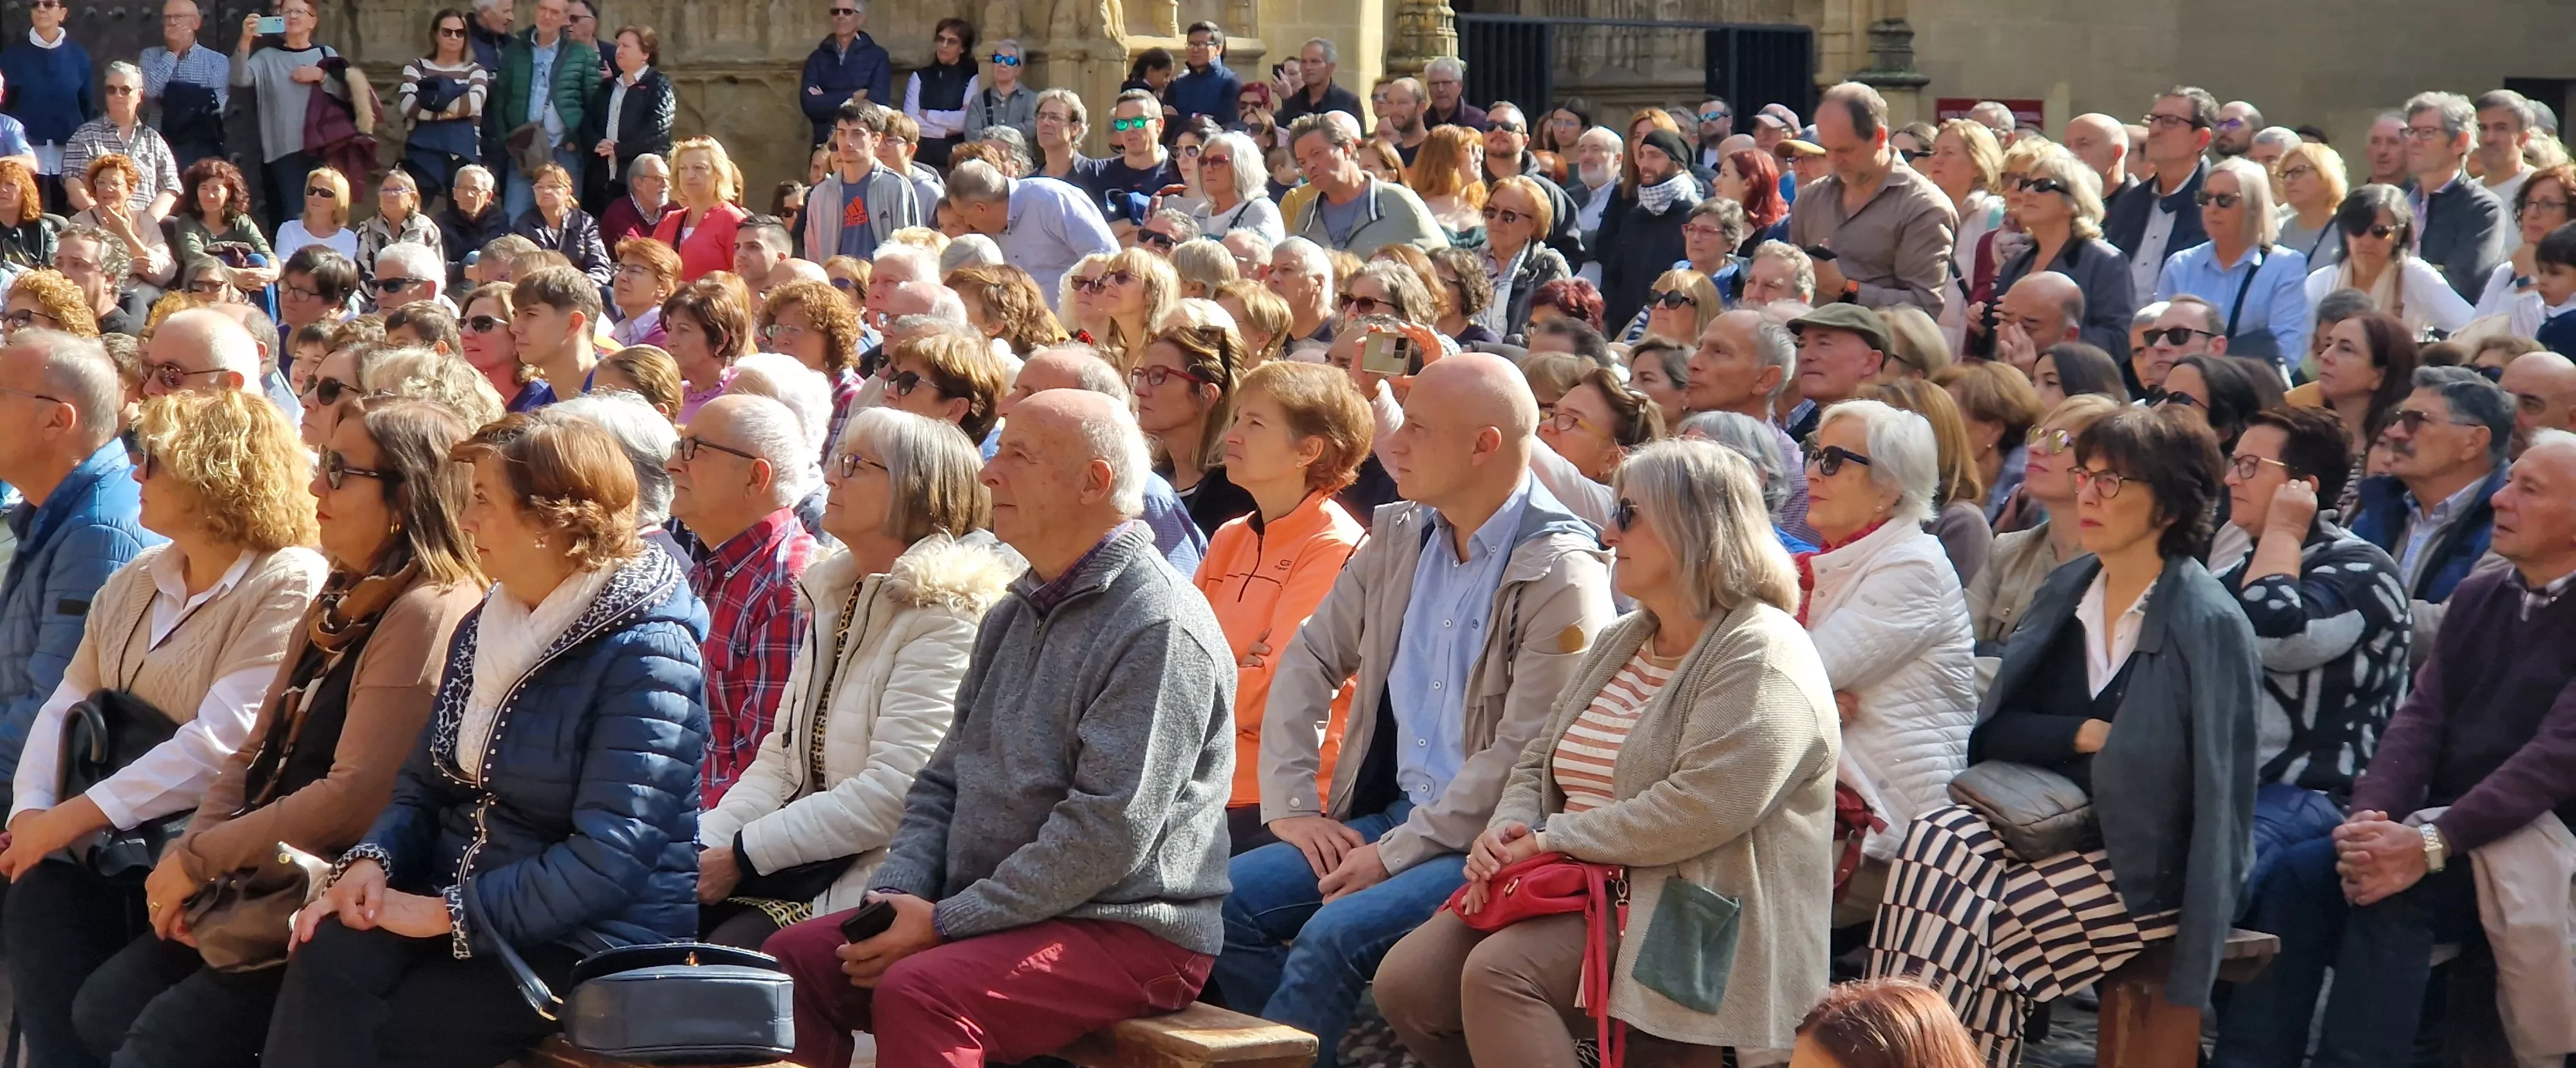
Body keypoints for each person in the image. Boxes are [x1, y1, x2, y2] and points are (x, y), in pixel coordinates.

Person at [759, 388, 1232, 1068]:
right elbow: (940, 781)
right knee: (796, 958)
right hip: (995, 910)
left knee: (921, 992)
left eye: (1018, 455)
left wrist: (948, 923)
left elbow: (1107, 834)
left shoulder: (1158, 625)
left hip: (1131, 928)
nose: (988, 472)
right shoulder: (1015, 609)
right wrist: (898, 896)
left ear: (1092, 483)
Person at [256, 413, 705, 1068]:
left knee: (393, 1032)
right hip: (462, 898)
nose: (465, 521)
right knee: (328, 950)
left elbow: (611, 859)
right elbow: (423, 784)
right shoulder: (487, 623)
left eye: (484, 503)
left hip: (587, 939)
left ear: (550, 522)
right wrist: (374, 862)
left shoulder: (649, 653)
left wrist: (448, 915)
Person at [1378, 436, 1835, 1068]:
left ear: (1689, 530)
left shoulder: (1763, 653)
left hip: (1697, 913)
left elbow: (1698, 809)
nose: (1608, 531)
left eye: (1627, 513)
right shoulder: (1626, 634)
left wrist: (1546, 839)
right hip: (1575, 882)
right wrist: (1511, 825)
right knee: (1408, 984)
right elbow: (1539, 758)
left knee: (1502, 977)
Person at [1216, 350, 1613, 1057]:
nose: (1392, 443)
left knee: (1327, 940)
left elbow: (1525, 753)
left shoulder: (1562, 572)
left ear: (1483, 445)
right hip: (1389, 817)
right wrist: (1290, 806)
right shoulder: (1400, 534)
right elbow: (1310, 657)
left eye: (1419, 428)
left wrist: (1395, 852)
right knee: (1213, 902)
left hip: (1487, 844)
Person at [67, 395, 482, 1067]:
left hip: (319, 899)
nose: (316, 486)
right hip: (248, 875)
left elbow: (354, 797)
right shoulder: (344, 589)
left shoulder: (429, 609)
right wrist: (191, 860)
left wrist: (201, 863)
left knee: (154, 1050)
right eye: (323, 466)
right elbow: (253, 750)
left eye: (341, 473)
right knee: (102, 1007)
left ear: (407, 496)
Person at [1867, 408, 2257, 1067]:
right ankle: (1896, 1043)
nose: (2087, 493)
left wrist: (2196, 961)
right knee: (1935, 835)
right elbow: (1999, 731)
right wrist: (2085, 734)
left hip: (2145, 863)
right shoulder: (2068, 588)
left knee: (1992, 932)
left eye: (2112, 482)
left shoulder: (2207, 620)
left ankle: (1904, 1050)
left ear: (2167, 504)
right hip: (2044, 826)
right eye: (2086, 475)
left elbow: (2220, 799)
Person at [2211, 429, 2576, 1068]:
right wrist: (2367, 823)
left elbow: (2552, 761)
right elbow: (2419, 721)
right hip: (2440, 827)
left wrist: (2429, 845)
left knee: (2395, 892)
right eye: (2510, 481)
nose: (2499, 500)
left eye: (2529, 489)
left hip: (2542, 841)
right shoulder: (2483, 594)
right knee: (2302, 875)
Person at [1, 388, 325, 1068]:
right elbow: (67, 702)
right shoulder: (139, 578)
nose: (136, 474)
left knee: (112, 1013)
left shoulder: (287, 582)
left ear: (216, 473)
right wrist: (31, 816)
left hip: (197, 850)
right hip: (103, 839)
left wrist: (63, 822)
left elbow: (219, 743)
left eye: (155, 460)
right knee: (38, 902)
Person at [693, 402, 1007, 951]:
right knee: (646, 919)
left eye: (857, 464)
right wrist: (705, 845)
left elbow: (895, 794)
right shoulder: (835, 593)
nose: (832, 475)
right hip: (794, 858)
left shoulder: (947, 614)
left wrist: (743, 854)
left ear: (917, 489)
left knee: (722, 963)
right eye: (838, 457)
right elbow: (780, 761)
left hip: (877, 875)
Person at [1796, 398, 1975, 925]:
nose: (1812, 471)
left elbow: (1786, 675)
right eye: (1812, 453)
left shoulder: (1911, 565)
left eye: (1833, 460)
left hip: (1883, 831)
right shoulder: (1837, 561)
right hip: (1822, 805)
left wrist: (1812, 697)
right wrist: (1820, 702)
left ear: (1890, 486)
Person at [2209, 405, 2409, 869]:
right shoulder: (2233, 573)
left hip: (2316, 795)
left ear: (2304, 488)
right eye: (2233, 461)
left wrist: (2284, 529)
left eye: (2250, 466)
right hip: (2226, 786)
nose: (2231, 479)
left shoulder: (2361, 568)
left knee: (2203, 881)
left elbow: (2278, 635)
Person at [0, 330, 151, 839]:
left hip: (36, 807)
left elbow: (52, 714)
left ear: (57, 419)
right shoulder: (55, 505)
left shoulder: (97, 530)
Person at [665, 391, 820, 809]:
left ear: (756, 476)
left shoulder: (788, 586)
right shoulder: (715, 564)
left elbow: (765, 776)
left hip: (707, 841)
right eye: (679, 445)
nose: (672, 463)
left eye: (693, 449)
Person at [2345, 366, 2512, 655]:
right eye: (2399, 419)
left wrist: (2348, 613)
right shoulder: (2381, 501)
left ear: (2472, 443)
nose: (2394, 432)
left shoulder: (2512, 516)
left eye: (2415, 421)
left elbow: (2455, 630)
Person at [1966, 394, 2121, 668]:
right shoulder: (2007, 550)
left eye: (2060, 441)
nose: (2036, 448)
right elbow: (1955, 647)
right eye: (2037, 434)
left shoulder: (2116, 569)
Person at [1786, 82, 1956, 319]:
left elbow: (1924, 307)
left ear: (1879, 136)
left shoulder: (1923, 207)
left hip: (1880, 352)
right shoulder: (1811, 198)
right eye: (1827, 150)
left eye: (1845, 150)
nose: (1835, 161)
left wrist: (1845, 289)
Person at [2152, 156, 2308, 364]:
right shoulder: (2180, 266)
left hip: (2248, 389)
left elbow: (2287, 352)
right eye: (2205, 199)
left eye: (2224, 200)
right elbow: (2159, 342)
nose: (2212, 208)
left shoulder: (2286, 266)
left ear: (2254, 207)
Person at [1989, 147, 2134, 361]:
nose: (2027, 193)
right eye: (2027, 184)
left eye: (2043, 186)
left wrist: (2047, 339)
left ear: (2074, 202)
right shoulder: (2017, 264)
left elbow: (2118, 340)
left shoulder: (2105, 261)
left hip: (2076, 385)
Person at [938, 159, 1116, 315]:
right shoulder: (988, 233)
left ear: (981, 208)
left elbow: (1107, 259)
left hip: (1080, 332)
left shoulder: (1052, 201)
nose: (967, 223)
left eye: (964, 216)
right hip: (1027, 331)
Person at [2306, 184, 2473, 340]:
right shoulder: (2321, 282)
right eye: (2357, 230)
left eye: (2379, 232)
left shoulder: (2416, 275)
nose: (2367, 241)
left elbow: (2473, 326)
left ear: (2399, 235)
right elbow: (2302, 343)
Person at [229, 0, 337, 234]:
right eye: (286, 12)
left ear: (313, 20)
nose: (293, 16)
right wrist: (246, 40)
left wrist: (321, 75)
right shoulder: (267, 57)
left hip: (325, 147)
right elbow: (240, 78)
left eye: (300, 11)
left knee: (328, 212)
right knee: (294, 215)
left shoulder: (326, 54)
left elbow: (348, 92)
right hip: (285, 151)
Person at [485, 0, 597, 223]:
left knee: (565, 223)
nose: (546, 16)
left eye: (554, 12)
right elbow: (500, 100)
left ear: (566, 18)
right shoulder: (515, 51)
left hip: (564, 151)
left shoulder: (580, 54)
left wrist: (577, 139)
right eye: (542, 9)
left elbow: (593, 103)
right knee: (514, 219)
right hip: (524, 150)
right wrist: (508, 140)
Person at [2106, 87, 2216, 308]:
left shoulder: (2218, 202)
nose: (2155, 130)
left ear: (2201, 139)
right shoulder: (2131, 201)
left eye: (2170, 121)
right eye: (2153, 120)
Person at [1284, 114, 1446, 258]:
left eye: (1317, 153)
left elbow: (1441, 263)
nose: (1310, 166)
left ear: (1347, 149)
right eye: (1302, 162)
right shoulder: (1306, 219)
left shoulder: (1399, 202)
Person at [2307, 311, 2421, 516]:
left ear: (2379, 375)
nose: (2326, 357)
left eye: (2345, 349)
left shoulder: (2394, 452)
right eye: (2328, 345)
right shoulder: (2307, 434)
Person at [2401, 91, 2509, 304]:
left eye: (2427, 133)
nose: (2414, 141)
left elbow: (2462, 285)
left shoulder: (2482, 209)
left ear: (2460, 142)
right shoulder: (2397, 205)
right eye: (2411, 132)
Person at [1596, 129, 1700, 330]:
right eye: (1642, 156)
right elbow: (1613, 272)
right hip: (1623, 328)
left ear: (1677, 164)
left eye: (1655, 156)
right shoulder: (1635, 216)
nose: (1645, 164)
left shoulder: (1694, 215)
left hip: (1672, 326)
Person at [1, 0, 95, 207]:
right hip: (24, 151)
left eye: (49, 4)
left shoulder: (79, 57)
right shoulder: (10, 57)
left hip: (70, 153)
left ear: (62, 13)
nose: (41, 8)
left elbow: (87, 104)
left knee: (69, 216)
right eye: (35, 4)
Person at [804, 102, 919, 266]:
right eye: (842, 133)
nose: (847, 142)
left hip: (882, 286)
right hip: (835, 288)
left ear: (876, 139)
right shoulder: (821, 194)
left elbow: (911, 249)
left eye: (857, 134)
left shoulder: (896, 186)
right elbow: (813, 255)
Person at [63, 62, 179, 221]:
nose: (118, 95)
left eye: (125, 90)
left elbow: (170, 188)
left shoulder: (154, 140)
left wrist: (148, 222)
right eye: (112, 90)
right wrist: (105, 219)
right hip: (98, 228)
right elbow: (73, 184)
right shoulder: (85, 135)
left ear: (139, 96)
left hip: (143, 230)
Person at [395, 8, 487, 208]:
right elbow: (407, 105)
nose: (454, 37)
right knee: (413, 211)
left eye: (459, 32)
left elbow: (474, 103)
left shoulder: (475, 70)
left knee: (463, 215)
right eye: (447, 32)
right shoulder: (417, 67)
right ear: (436, 35)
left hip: (464, 153)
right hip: (423, 153)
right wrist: (450, 112)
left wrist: (432, 106)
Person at [582, 26, 673, 212]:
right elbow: (587, 122)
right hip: (604, 179)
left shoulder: (658, 85)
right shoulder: (610, 86)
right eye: (618, 45)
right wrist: (597, 143)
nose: (619, 51)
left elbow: (658, 130)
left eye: (626, 46)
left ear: (645, 54)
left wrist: (619, 149)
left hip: (641, 180)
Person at [2470, 162, 2575, 323]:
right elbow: (2475, 327)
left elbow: (2542, 337)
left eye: (2548, 205)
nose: (2532, 214)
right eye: (2529, 203)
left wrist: (2528, 280)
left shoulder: (2571, 273)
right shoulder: (2507, 272)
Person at [141, 0, 231, 173]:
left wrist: (169, 97)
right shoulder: (150, 56)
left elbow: (216, 105)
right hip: (158, 142)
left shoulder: (216, 61)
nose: (172, 22)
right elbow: (151, 90)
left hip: (200, 145)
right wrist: (173, 52)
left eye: (179, 17)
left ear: (196, 23)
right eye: (168, 18)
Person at [1785, 303, 1899, 439]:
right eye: (1802, 345)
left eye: (1824, 344)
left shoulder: (1885, 438)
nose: (1805, 356)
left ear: (1871, 362)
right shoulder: (1802, 424)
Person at [1480, 175, 1571, 341]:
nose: (1496, 221)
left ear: (1533, 225)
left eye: (1508, 216)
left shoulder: (1549, 266)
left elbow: (1550, 334)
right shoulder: (1467, 262)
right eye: (1491, 212)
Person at [70, 156, 178, 288]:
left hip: (142, 292)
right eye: (101, 183)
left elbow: (167, 272)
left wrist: (127, 235)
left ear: (130, 190)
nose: (108, 189)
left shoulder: (146, 221)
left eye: (115, 184)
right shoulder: (81, 222)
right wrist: (128, 267)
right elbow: (77, 267)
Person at [170, 158, 274, 294]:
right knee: (222, 260)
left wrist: (272, 273)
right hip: (203, 284)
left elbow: (264, 249)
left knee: (259, 261)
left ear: (228, 193)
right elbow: (194, 256)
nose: (210, 195)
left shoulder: (241, 221)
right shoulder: (187, 221)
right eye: (204, 188)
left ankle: (266, 316)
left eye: (216, 189)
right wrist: (232, 275)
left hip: (245, 282)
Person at [652, 136, 748, 281]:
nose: (689, 175)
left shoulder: (734, 221)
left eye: (699, 168)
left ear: (718, 173)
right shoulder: (670, 220)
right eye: (683, 169)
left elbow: (743, 281)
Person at [801, 0, 890, 145]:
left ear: (861, 18)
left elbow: (878, 104)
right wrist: (853, 97)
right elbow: (810, 105)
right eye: (836, 12)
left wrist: (826, 99)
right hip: (825, 143)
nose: (840, 16)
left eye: (847, 12)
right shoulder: (817, 57)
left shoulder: (878, 56)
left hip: (863, 144)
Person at [512, 162, 610, 288]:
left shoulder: (585, 222)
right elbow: (519, 269)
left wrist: (579, 287)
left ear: (568, 192)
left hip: (579, 290)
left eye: (553, 186)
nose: (546, 191)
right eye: (539, 187)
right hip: (540, 291)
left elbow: (600, 266)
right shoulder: (524, 224)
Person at [2274, 141, 2349, 269]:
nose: (2288, 181)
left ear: (2327, 174)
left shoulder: (2351, 230)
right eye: (2284, 175)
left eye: (2298, 171)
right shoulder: (2282, 230)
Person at [274, 165, 357, 264]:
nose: (316, 196)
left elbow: (342, 275)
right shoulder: (288, 230)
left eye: (325, 193)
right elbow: (284, 267)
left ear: (339, 201)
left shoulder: (347, 238)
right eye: (312, 191)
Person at [960, 37, 1036, 146]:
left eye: (1010, 60)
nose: (1003, 64)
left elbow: (1031, 128)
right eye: (999, 59)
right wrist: (1006, 137)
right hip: (987, 160)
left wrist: (993, 134)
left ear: (1019, 69)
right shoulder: (978, 101)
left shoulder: (1032, 99)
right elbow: (971, 135)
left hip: (1020, 160)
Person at [1275, 37, 1362, 127]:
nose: (1308, 67)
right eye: (1304, 62)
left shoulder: (1347, 102)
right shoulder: (1292, 104)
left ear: (1331, 67)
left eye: (1315, 62)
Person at [0, 160, 57, 268]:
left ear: (25, 192)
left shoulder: (43, 229)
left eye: (11, 184)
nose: (2, 189)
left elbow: (54, 270)